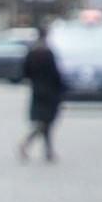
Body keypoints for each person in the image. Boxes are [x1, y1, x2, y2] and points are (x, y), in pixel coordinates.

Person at [17, 21, 66, 161]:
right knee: (44, 123)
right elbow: (55, 74)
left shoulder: (32, 51)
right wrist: (62, 89)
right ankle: (27, 144)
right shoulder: (47, 52)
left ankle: (48, 151)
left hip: (37, 90)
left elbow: (25, 72)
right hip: (49, 91)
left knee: (44, 123)